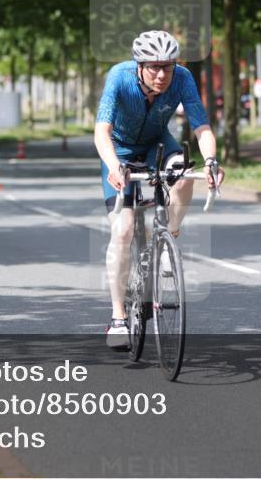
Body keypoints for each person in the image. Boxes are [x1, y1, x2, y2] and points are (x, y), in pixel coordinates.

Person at [95, 30, 225, 349]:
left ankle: (170, 235)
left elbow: (202, 126)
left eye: (167, 66)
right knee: (123, 231)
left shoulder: (182, 78)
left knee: (184, 173)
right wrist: (114, 166)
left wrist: (211, 161)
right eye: (153, 67)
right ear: (139, 66)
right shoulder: (119, 77)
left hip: (157, 144)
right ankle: (117, 317)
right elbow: (102, 131)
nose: (161, 74)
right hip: (121, 151)